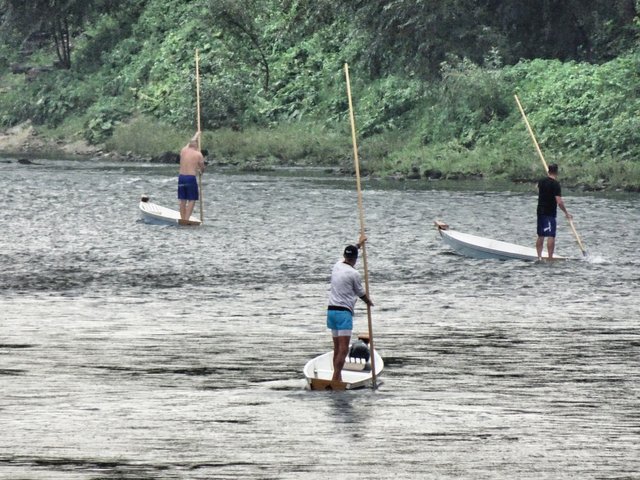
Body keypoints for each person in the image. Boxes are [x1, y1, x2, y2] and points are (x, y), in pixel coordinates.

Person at [326, 236, 373, 383]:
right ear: (355, 259)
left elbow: (351, 252)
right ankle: (335, 380)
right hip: (343, 313)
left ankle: (337, 377)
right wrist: (369, 301)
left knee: (337, 348)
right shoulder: (354, 274)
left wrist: (358, 244)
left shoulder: (337, 265)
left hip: (331, 312)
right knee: (344, 349)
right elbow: (360, 293)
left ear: (344, 256)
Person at [536, 163, 572, 260]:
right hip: (549, 212)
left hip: (540, 211)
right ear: (556, 172)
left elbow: (538, 189)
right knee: (551, 235)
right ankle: (550, 257)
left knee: (541, 235)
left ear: (548, 171)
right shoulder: (555, 184)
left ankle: (539, 256)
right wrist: (566, 213)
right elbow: (559, 202)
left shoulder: (541, 181)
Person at [178, 132, 205, 221]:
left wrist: (196, 135)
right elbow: (202, 167)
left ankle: (182, 218)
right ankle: (186, 219)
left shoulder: (183, 150)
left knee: (182, 199)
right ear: (196, 146)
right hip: (190, 178)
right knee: (192, 199)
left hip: (181, 177)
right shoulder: (198, 154)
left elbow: (190, 142)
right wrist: (201, 171)